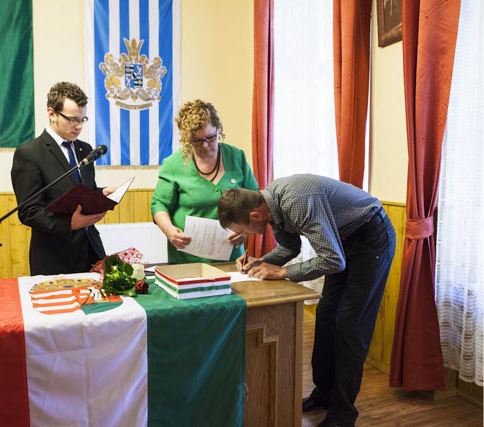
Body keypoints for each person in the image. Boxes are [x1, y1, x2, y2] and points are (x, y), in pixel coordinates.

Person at [217, 174, 396, 427]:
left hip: (372, 237)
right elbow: (290, 247)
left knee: (350, 326)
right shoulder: (270, 206)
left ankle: (343, 415)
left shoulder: (295, 201)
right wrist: (260, 262)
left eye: (241, 231)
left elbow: (333, 260)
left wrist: (283, 272)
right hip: (341, 241)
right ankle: (323, 394)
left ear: (255, 216)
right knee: (325, 317)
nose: (242, 237)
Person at [11, 82, 112, 275]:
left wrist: (102, 193)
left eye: (83, 119)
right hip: (54, 257)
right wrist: (69, 224)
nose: (79, 126)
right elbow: (29, 211)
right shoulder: (30, 153)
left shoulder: (85, 149)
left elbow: (83, 191)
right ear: (52, 113)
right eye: (72, 119)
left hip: (91, 250)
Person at [151, 99, 259, 264]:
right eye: (197, 141)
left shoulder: (237, 157)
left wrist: (245, 232)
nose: (205, 145)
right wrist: (169, 230)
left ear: (219, 130)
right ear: (187, 139)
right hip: (187, 258)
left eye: (211, 138)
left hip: (230, 256)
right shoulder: (173, 164)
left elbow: (256, 201)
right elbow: (159, 205)